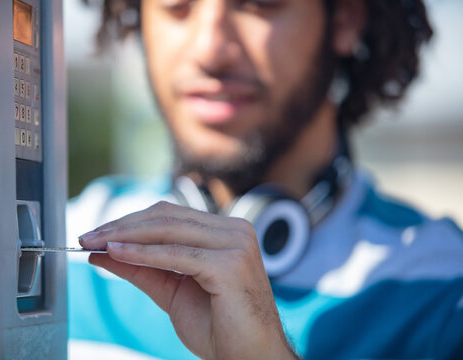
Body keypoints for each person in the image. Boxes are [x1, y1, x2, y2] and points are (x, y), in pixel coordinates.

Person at [67, 0, 463, 358]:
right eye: (176, 5)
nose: (210, 51)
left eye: (258, 4)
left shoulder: (445, 292)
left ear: (345, 18)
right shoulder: (63, 260)